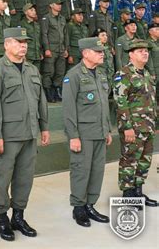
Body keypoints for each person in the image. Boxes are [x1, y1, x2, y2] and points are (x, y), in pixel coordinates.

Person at [0, 27, 50, 242]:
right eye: (18, 41)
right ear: (6, 44)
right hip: (7, 136)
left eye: (25, 42)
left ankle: (18, 217)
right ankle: (2, 218)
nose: (24, 45)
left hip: (29, 133)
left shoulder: (32, 69)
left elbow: (41, 100)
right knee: (1, 178)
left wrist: (44, 127)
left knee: (24, 178)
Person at [62, 37, 113, 227]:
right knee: (81, 171)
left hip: (99, 131)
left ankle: (90, 204)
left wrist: (107, 129)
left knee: (97, 170)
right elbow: (68, 109)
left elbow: (104, 105)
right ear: (85, 53)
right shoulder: (73, 75)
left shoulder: (100, 74)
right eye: (97, 51)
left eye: (102, 51)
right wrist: (73, 135)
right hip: (83, 133)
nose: (102, 54)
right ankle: (78, 207)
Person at [113, 39, 158, 207]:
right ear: (131, 54)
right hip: (133, 127)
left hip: (148, 126)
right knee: (129, 160)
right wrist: (127, 128)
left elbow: (152, 101)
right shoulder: (123, 74)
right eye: (140, 51)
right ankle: (128, 196)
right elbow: (120, 103)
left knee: (144, 160)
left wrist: (156, 123)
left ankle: (138, 193)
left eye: (146, 51)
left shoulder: (147, 74)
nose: (145, 53)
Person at [40, 0, 69, 102]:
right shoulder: (46, 18)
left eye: (60, 4)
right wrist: (46, 48)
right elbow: (44, 34)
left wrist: (66, 48)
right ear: (51, 5)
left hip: (61, 49)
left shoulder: (62, 18)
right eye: (57, 4)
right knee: (49, 71)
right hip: (51, 49)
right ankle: (48, 93)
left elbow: (65, 35)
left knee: (60, 72)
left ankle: (57, 92)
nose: (59, 5)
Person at [20, 3, 43, 71]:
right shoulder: (22, 24)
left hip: (37, 55)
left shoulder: (37, 25)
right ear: (25, 12)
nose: (34, 12)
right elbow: (21, 41)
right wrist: (23, 54)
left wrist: (40, 52)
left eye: (34, 10)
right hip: (28, 55)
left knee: (36, 74)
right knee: (27, 74)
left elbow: (39, 40)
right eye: (31, 10)